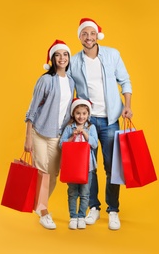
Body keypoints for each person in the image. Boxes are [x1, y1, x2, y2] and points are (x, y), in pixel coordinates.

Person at [69, 18, 133, 230]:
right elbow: (69, 90)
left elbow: (125, 80)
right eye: (84, 34)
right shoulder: (74, 62)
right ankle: (93, 207)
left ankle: (113, 209)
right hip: (87, 123)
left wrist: (127, 105)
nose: (88, 37)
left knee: (111, 166)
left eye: (92, 33)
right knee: (88, 167)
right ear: (79, 37)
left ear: (97, 36)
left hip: (110, 119)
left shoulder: (112, 55)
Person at [24, 39, 75, 230]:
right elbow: (32, 109)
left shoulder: (71, 81)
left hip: (57, 134)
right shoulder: (45, 80)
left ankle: (39, 205)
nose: (62, 58)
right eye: (58, 55)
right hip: (39, 132)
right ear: (52, 59)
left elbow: (67, 109)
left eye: (65, 54)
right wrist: (28, 137)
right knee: (42, 172)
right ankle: (44, 211)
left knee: (53, 174)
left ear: (68, 58)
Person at [59, 98, 98, 230]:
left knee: (85, 193)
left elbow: (95, 144)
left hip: (87, 166)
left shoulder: (91, 128)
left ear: (88, 114)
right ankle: (73, 217)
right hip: (72, 167)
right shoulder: (69, 128)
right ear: (73, 114)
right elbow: (61, 145)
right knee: (72, 192)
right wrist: (72, 137)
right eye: (78, 113)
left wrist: (86, 135)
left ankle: (81, 217)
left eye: (84, 113)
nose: (81, 116)